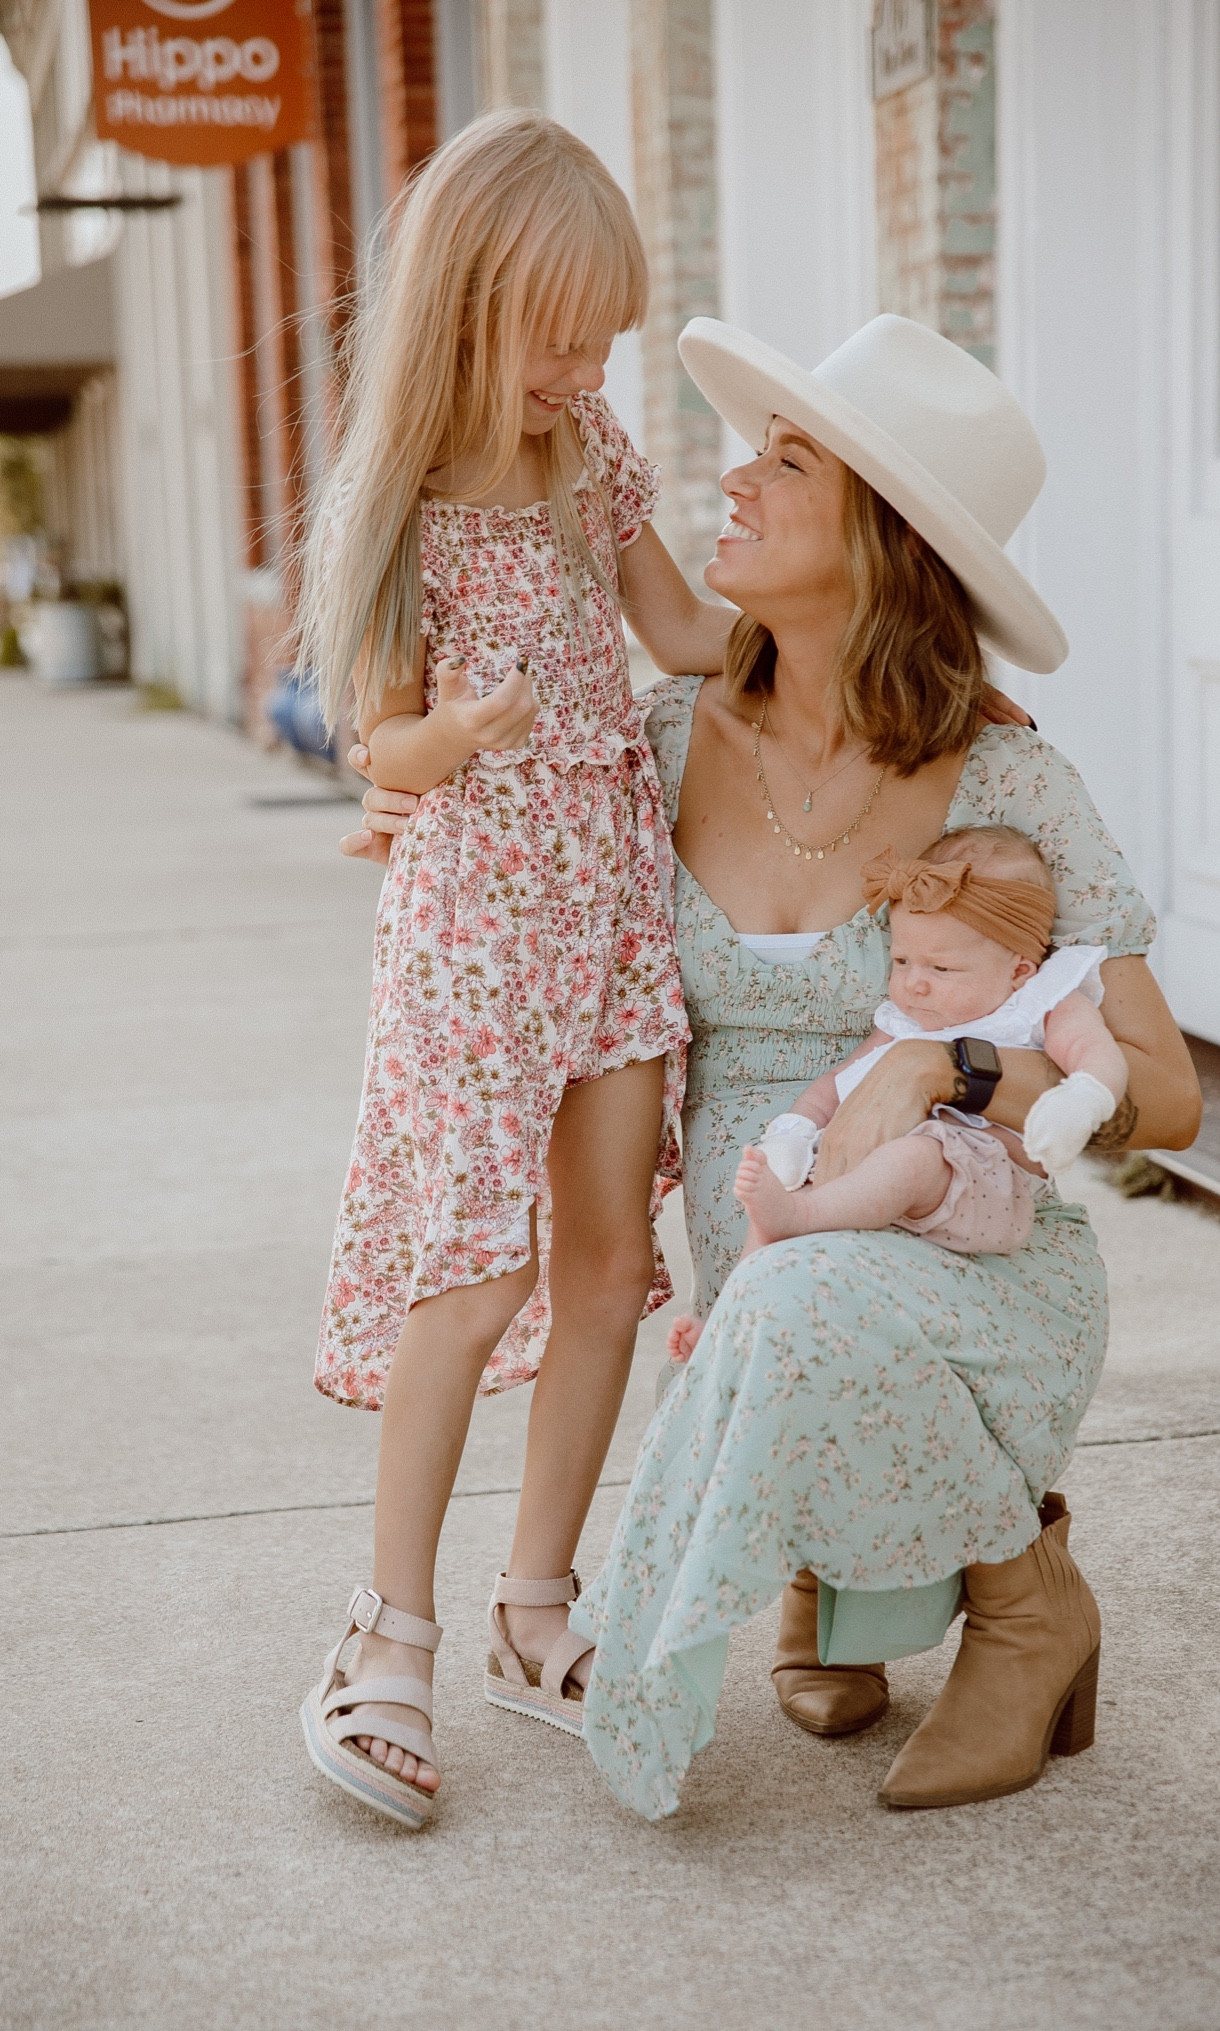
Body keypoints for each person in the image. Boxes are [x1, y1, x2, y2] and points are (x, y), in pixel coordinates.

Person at [346, 311, 1201, 1825]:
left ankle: (1023, 1598)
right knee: (769, 1280)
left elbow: (1171, 1093)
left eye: (785, 461)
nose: (731, 479)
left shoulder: (1004, 777)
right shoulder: (658, 741)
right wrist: (413, 802)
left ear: (884, 538)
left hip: (969, 1275)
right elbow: (490, 853)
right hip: (774, 1283)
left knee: (788, 1285)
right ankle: (835, 1568)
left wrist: (953, 1077)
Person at [295, 110, 735, 1829]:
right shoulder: (400, 494)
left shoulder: (597, 453)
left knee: (613, 1254)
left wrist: (856, 611)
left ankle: (533, 1604)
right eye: (560, 333)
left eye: (604, 335)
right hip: (479, 928)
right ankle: (383, 1627)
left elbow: (685, 630)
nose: (584, 364)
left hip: (612, 899)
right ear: (467, 303)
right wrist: (448, 733)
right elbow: (376, 749)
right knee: (475, 1269)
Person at [664, 825, 1128, 1359]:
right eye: (903, 961)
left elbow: (1099, 1057)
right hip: (870, 1172)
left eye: (942, 967)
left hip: (978, 1182)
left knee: (916, 1156)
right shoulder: (904, 1018)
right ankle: (728, 1323)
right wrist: (792, 1133)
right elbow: (834, 1087)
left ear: (1019, 969)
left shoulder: (1041, 1000)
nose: (915, 983)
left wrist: (1080, 1101)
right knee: (773, 1204)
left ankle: (805, 1219)